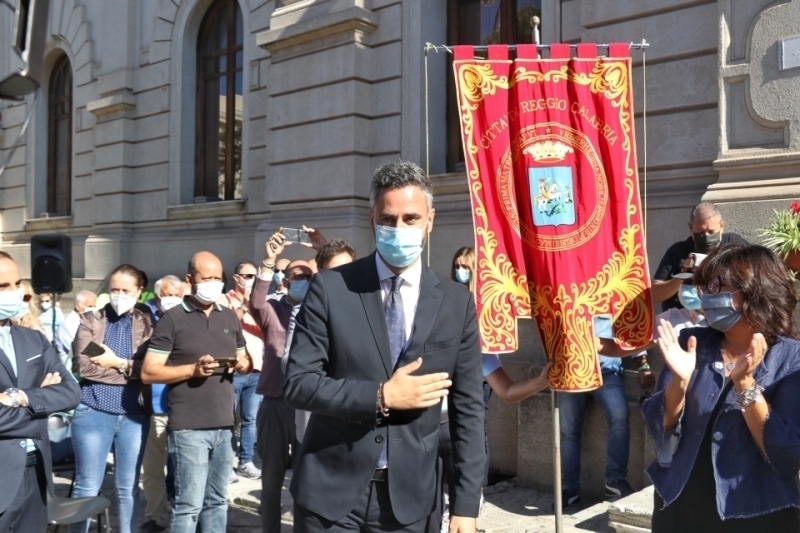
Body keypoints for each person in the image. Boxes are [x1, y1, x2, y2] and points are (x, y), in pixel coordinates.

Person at [284, 161, 486, 533]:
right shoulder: (331, 288)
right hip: (330, 492)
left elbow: (469, 409)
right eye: (388, 219)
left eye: (411, 219)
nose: (399, 229)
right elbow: (299, 383)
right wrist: (380, 396)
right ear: (372, 219)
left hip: (409, 501)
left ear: (430, 221)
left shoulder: (456, 303)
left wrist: (466, 505)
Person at [643, 243, 800, 531]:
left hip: (757, 513)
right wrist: (680, 382)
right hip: (681, 504)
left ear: (756, 291)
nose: (706, 295)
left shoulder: (791, 359)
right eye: (704, 286)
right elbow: (660, 426)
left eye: (717, 286)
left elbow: (787, 452)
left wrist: (745, 384)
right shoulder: (691, 342)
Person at [141, 251, 252, 533]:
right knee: (188, 505)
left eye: (218, 278)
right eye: (207, 278)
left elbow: (245, 359)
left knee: (217, 502)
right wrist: (192, 370)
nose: (214, 283)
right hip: (188, 428)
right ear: (190, 280)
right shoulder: (172, 319)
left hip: (224, 425)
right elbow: (149, 371)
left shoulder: (229, 316)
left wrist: (243, 364)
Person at [68, 264, 154, 533]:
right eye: (114, 289)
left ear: (139, 291)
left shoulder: (147, 322)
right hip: (94, 410)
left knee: (128, 488)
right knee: (87, 486)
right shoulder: (92, 320)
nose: (119, 295)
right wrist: (132, 370)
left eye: (126, 290)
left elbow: (151, 368)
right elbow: (85, 367)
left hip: (134, 414)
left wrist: (116, 362)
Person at [0, 251, 81, 532]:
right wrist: (43, 405)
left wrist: (21, 397)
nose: (14, 292)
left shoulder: (33, 339)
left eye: (17, 283)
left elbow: (71, 392)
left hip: (37, 476)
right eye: (3, 286)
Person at [253, 235, 314, 533]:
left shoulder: (319, 312)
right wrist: (268, 261)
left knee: (306, 479)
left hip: (307, 404)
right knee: (271, 480)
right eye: (294, 276)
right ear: (286, 280)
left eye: (306, 276)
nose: (300, 280)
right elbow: (255, 302)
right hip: (276, 402)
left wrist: (321, 250)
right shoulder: (273, 309)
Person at [290, 239, 359, 446]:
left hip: (358, 419)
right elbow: (291, 365)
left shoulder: (370, 308)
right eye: (334, 272)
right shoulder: (304, 312)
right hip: (319, 419)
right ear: (320, 273)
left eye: (348, 270)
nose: (342, 277)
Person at [139, 275, 184, 533]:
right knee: (153, 468)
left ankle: (183, 515)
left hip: (183, 406)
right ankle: (156, 516)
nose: (173, 300)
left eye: (178, 295)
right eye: (168, 295)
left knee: (184, 468)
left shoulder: (191, 319)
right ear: (157, 297)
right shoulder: (144, 320)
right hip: (153, 405)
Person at [651, 203, 745, 311]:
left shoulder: (734, 244)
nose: (706, 237)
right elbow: (654, 294)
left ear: (722, 226)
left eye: (711, 232)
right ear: (690, 228)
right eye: (700, 232)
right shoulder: (678, 251)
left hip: (726, 313)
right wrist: (681, 276)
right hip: (684, 314)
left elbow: (757, 275)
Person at [222, 261, 264, 480]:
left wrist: (254, 305)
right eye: (246, 276)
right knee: (228, 418)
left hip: (256, 370)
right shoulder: (224, 299)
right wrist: (245, 306)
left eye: (253, 276)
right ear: (236, 277)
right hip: (233, 371)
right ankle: (225, 464)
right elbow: (227, 325)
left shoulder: (260, 303)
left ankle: (246, 461)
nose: (250, 280)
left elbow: (266, 328)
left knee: (250, 419)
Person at [55, 290, 97, 366]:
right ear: (78, 307)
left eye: (94, 306)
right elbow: (82, 348)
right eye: (90, 306)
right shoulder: (68, 324)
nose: (93, 309)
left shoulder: (87, 321)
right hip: (72, 369)